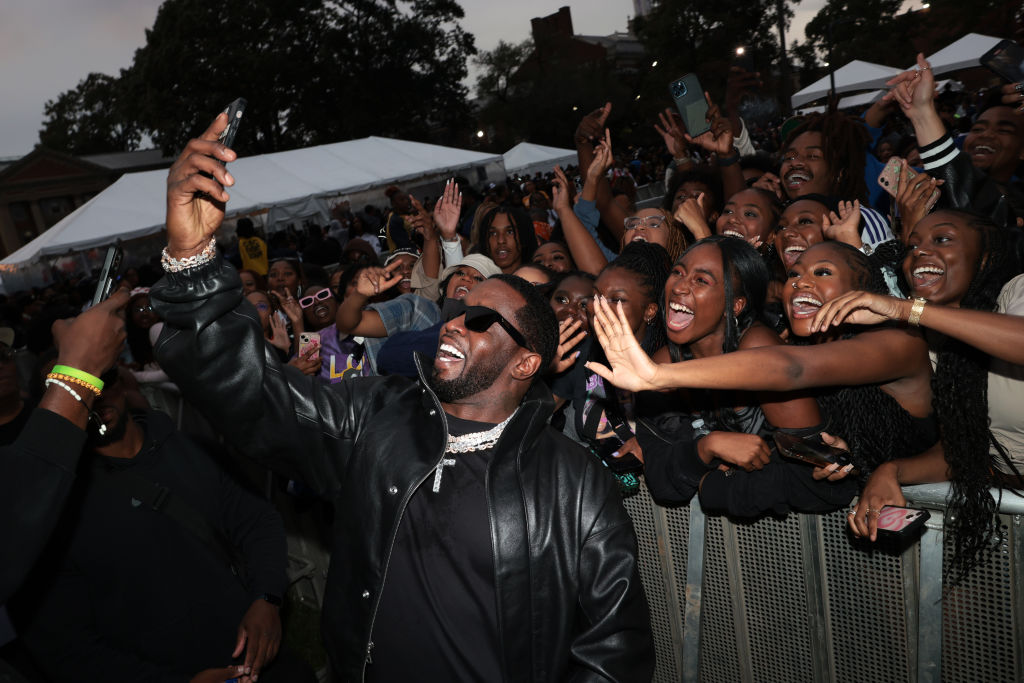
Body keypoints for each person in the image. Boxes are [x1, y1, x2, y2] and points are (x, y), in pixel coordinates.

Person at [150, 114, 654, 682]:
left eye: (481, 320)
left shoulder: (573, 485)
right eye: (457, 311)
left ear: (526, 362)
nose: (454, 324)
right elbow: (251, 394)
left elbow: (616, 651)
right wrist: (191, 262)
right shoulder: (379, 418)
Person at [12, 368, 313, 683]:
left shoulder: (190, 448)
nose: (93, 398)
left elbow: (257, 521)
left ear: (123, 380)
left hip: (255, 659)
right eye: (75, 392)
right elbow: (66, 649)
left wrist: (267, 598)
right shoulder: (48, 509)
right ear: (50, 409)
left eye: (101, 381)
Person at [815, 210, 1024, 583]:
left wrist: (906, 309)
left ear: (986, 257)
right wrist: (889, 471)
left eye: (941, 240)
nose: (919, 253)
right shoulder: (930, 348)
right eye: (912, 245)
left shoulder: (1016, 291)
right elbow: (960, 452)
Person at [0, 290, 131, 605]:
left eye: (2, 355)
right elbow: (14, 523)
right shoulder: (55, 423)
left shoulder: (46, 415)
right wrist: (80, 367)